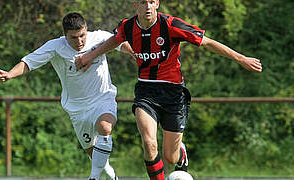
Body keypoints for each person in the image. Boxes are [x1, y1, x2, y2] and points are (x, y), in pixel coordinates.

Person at [75, 0, 262, 179]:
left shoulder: (171, 25)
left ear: (157, 3)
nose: (147, 6)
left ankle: (180, 151)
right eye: (142, 2)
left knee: (171, 157)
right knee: (149, 143)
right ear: (135, 6)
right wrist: (90, 56)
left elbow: (207, 42)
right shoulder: (127, 26)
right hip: (145, 91)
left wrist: (240, 58)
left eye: (151, 2)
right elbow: (114, 41)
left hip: (174, 93)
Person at [0, 12, 133, 180]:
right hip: (77, 109)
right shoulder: (55, 46)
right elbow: (29, 62)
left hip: (103, 99)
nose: (80, 41)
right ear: (65, 35)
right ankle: (110, 174)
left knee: (105, 128)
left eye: (82, 35)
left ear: (86, 30)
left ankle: (94, 177)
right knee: (94, 153)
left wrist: (135, 54)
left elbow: (120, 44)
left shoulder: (99, 37)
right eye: (74, 38)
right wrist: (10, 74)